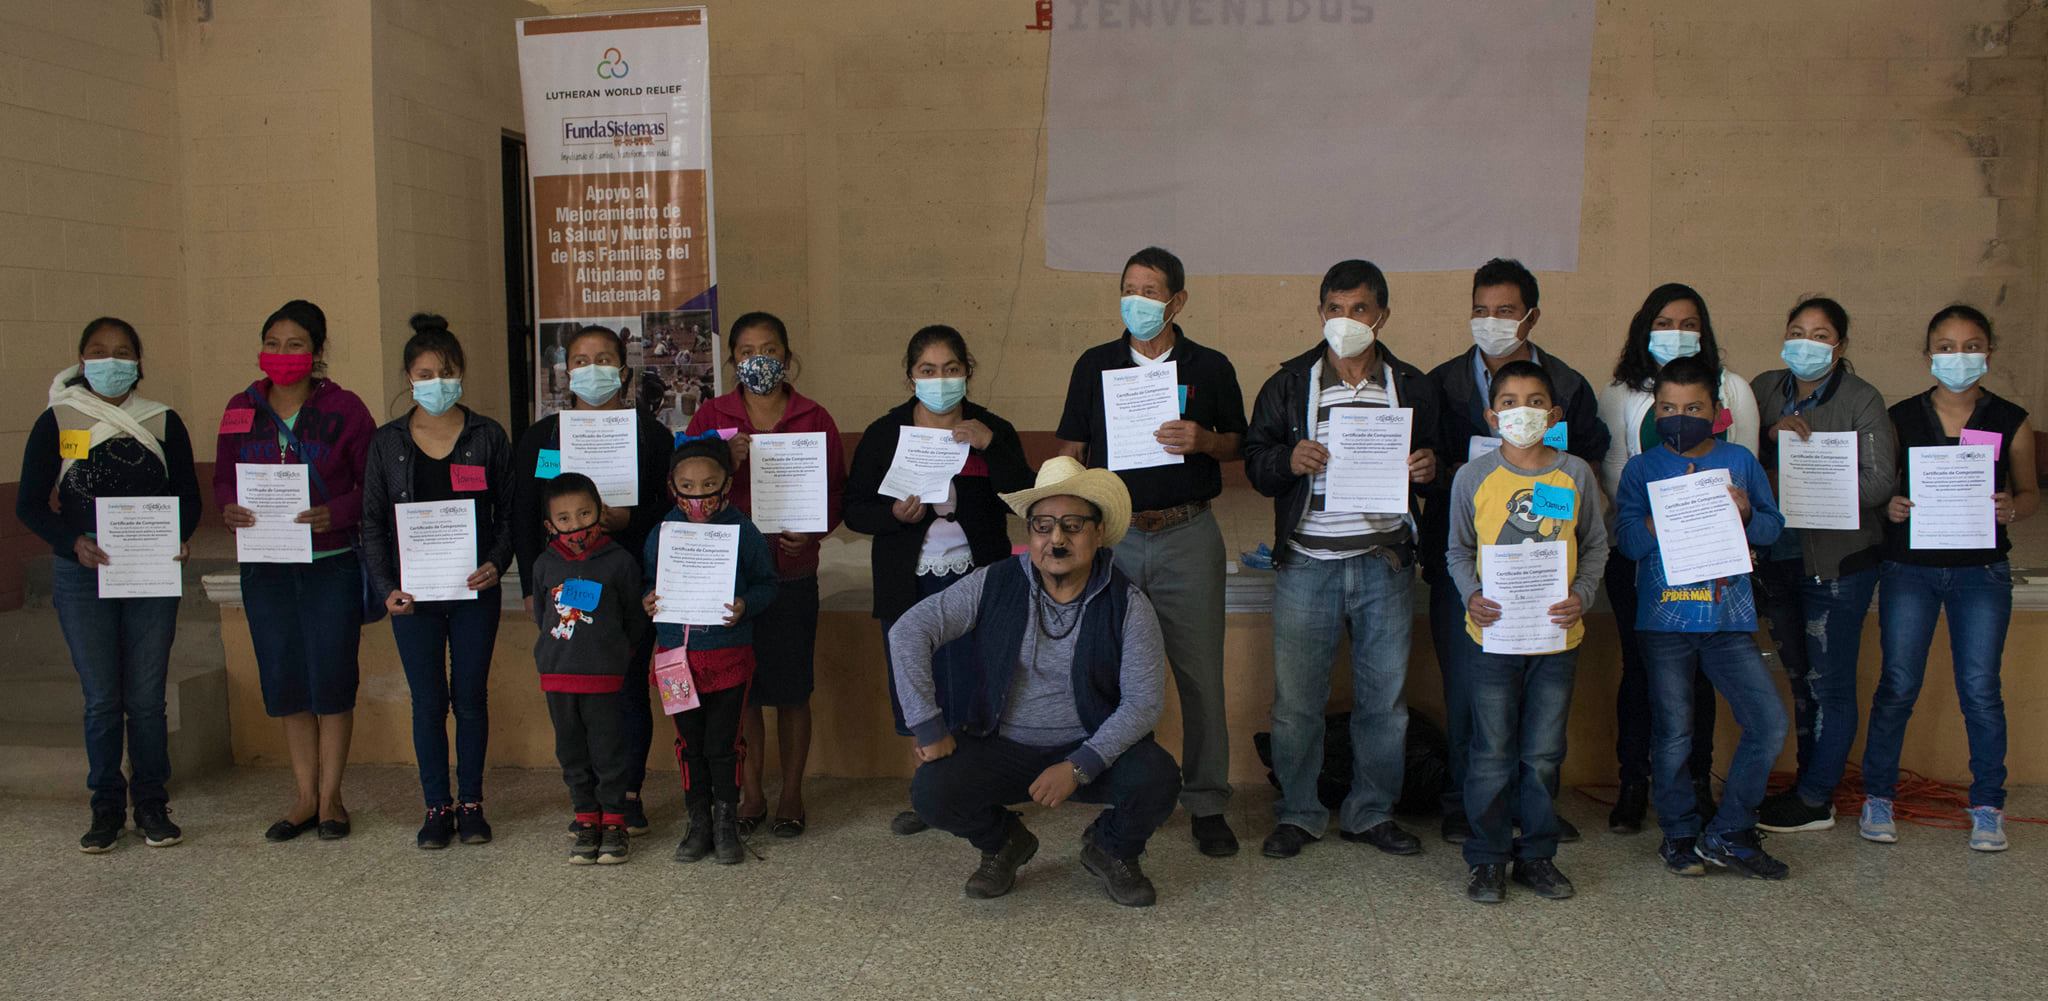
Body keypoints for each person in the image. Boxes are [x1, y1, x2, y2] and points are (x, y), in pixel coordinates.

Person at [892, 456, 1180, 906]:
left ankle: (1111, 848)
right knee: (932, 791)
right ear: (1029, 534)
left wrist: (1079, 765)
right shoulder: (993, 583)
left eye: (1072, 526)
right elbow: (909, 631)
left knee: (1158, 778)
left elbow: (1143, 703)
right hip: (1002, 744)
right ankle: (1003, 842)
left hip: (1090, 744)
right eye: (1043, 526)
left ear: (1099, 532)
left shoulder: (1129, 604)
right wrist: (928, 726)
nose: (1056, 539)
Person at [1243, 258, 1443, 860]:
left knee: (1384, 704)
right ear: (1320, 312)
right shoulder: (1288, 383)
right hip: (1307, 563)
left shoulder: (1410, 385)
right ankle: (1299, 813)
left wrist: (1430, 469)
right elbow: (1256, 463)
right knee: (1296, 703)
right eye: (1335, 308)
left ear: (1382, 316)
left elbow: (1440, 464)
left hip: (1384, 563)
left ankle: (1371, 812)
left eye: (1359, 309)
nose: (1346, 320)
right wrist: (1286, 461)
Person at [1054, 246, 1245, 858]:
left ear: (1177, 301)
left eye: (1151, 290)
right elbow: (1071, 448)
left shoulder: (1210, 366)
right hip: (1117, 538)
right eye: (1129, 289)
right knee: (1114, 677)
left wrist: (1205, 439)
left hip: (1189, 534)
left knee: (1201, 676)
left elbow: (1239, 443)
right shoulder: (1095, 365)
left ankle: (1207, 801)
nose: (1137, 301)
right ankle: (1129, 792)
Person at [1422, 258, 1610, 845]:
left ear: (1531, 316)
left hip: (1551, 592)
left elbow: (1590, 470)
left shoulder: (1568, 384)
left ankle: (1534, 815)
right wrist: (1431, 470)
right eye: (1480, 310)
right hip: (1473, 579)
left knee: (1542, 725)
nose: (1491, 321)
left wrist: (1581, 588)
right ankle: (1470, 812)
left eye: (1505, 311)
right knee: (1470, 699)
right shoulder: (1441, 382)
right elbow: (1425, 467)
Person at [19, 318, 203, 852]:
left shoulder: (162, 421)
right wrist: (71, 542)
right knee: (101, 698)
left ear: (138, 363)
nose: (111, 361)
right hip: (82, 573)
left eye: (123, 352)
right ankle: (105, 807)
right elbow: (29, 504)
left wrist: (180, 535)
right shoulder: (59, 419)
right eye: (99, 352)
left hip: (150, 570)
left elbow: (189, 496)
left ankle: (151, 804)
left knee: (146, 698)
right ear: (81, 361)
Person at [843, 325, 1035, 834]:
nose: (940, 379)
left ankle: (981, 794)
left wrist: (992, 447)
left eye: (951, 369)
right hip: (908, 581)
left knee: (978, 682)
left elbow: (1025, 498)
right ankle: (929, 794)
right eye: (928, 370)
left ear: (967, 372)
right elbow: (855, 509)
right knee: (916, 681)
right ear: (911, 377)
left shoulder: (993, 429)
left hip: (978, 577)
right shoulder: (885, 434)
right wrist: (893, 515)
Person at [1862, 304, 2037, 852]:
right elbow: (1881, 488)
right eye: (1946, 346)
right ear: (1928, 354)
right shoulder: (1900, 417)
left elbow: (2030, 493)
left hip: (1981, 573)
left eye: (1970, 346)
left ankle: (1987, 805)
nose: (1958, 356)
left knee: (1981, 689)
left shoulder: (2011, 419)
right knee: (1898, 684)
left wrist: (2014, 507)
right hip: (1909, 570)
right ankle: (1878, 796)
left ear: (1988, 353)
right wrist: (1890, 506)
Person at [1613, 356, 1790, 880]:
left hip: (1728, 621)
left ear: (1716, 411)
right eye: (1669, 408)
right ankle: (1679, 832)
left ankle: (1730, 830)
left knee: (1768, 722)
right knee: (1673, 733)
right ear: (1655, 412)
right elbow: (1628, 543)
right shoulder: (1641, 469)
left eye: (1693, 408)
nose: (1680, 417)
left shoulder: (1740, 461)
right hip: (1664, 623)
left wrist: (1746, 512)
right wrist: (1665, 513)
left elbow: (1773, 529)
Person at [1596, 283, 1760, 834]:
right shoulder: (1619, 393)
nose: (1676, 333)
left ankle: (1695, 782)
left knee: (1700, 677)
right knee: (1640, 671)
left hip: (1711, 559)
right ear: (1645, 329)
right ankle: (1633, 783)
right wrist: (1666, 517)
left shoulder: (1732, 388)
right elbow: (1615, 472)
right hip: (1641, 555)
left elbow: (1744, 467)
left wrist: (1711, 519)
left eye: (1689, 324)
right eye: (1664, 323)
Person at [1444, 360, 1609, 903]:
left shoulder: (1574, 474)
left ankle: (1537, 856)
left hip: (1556, 639)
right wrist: (1471, 594)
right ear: (1492, 416)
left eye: (1535, 402)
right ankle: (1487, 858)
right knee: (1491, 752)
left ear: (1554, 415)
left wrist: (1583, 595)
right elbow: (1457, 550)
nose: (1523, 412)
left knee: (1542, 754)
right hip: (1492, 639)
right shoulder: (1473, 477)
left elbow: (1595, 545)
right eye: (1509, 402)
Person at [215, 300, 376, 842]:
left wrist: (339, 512)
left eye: (295, 344)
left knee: (331, 678)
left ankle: (332, 798)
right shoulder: (240, 408)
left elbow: (371, 484)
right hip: (267, 568)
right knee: (286, 680)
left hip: (330, 565)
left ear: (317, 351)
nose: (282, 354)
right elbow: (223, 478)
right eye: (273, 344)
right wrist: (228, 507)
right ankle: (304, 796)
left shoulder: (346, 409)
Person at [684, 311, 844, 837]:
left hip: (793, 573)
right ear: (732, 360)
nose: (759, 360)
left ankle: (792, 793)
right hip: (729, 578)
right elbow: (685, 489)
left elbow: (836, 493)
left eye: (769, 349)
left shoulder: (814, 417)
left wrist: (814, 533)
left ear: (787, 355)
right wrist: (721, 460)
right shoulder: (711, 416)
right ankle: (751, 792)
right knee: (742, 692)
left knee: (793, 690)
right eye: (747, 351)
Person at [359, 315, 515, 849]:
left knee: (470, 697)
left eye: (446, 372)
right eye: (425, 374)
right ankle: (435, 806)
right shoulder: (387, 442)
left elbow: (508, 513)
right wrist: (387, 587)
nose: (437, 383)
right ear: (409, 377)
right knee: (427, 702)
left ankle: (471, 804)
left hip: (475, 592)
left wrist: (497, 562)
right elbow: (372, 523)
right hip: (414, 597)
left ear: (461, 373)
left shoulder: (487, 436)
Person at [512, 323, 672, 836]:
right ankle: (588, 800)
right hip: (564, 587)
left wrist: (628, 520)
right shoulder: (544, 439)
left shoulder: (652, 435)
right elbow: (524, 513)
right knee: (577, 698)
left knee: (627, 688)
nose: (592, 369)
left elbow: (669, 508)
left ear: (623, 370)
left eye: (604, 359)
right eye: (581, 360)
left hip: (629, 581)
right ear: (566, 371)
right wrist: (530, 586)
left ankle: (628, 793)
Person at [1748, 298, 1896, 835]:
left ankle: (1815, 796)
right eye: (1797, 331)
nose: (1806, 343)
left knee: (1829, 683)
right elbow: (1736, 456)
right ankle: (1807, 786)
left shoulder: (1861, 398)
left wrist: (1811, 487)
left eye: (1820, 334)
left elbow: (1879, 483)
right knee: (1798, 680)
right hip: (1778, 560)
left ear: (1840, 345)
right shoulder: (1763, 388)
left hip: (1838, 564)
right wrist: (1770, 437)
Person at [643, 437, 778, 865]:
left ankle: (725, 822)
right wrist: (648, 599)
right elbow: (649, 581)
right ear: (672, 486)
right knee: (689, 744)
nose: (698, 496)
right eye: (687, 486)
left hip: (727, 658)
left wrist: (745, 605)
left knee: (723, 743)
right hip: (674, 660)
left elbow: (767, 584)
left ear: (727, 485)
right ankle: (697, 821)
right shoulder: (662, 532)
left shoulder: (744, 531)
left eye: (708, 485)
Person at [530, 472, 648, 865]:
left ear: (600, 511)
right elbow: (543, 615)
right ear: (550, 525)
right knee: (571, 751)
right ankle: (585, 818)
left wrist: (616, 654)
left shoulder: (620, 561)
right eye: (564, 519)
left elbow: (634, 619)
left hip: (604, 676)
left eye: (584, 513)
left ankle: (614, 822)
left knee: (608, 750)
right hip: (558, 676)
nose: (576, 525)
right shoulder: (544, 564)